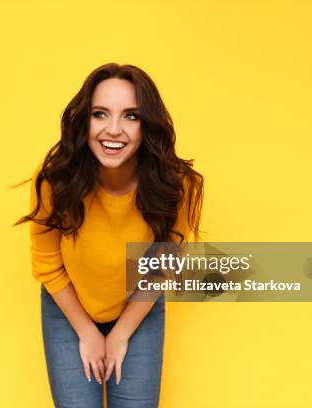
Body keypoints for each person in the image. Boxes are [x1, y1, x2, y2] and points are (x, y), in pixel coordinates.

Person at [15, 63, 204, 408]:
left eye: (131, 116)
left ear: (148, 125)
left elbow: (160, 268)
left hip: (137, 305)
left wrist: (120, 334)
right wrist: (87, 331)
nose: (113, 130)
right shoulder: (54, 180)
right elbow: (46, 263)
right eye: (100, 114)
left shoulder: (176, 186)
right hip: (68, 304)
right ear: (84, 120)